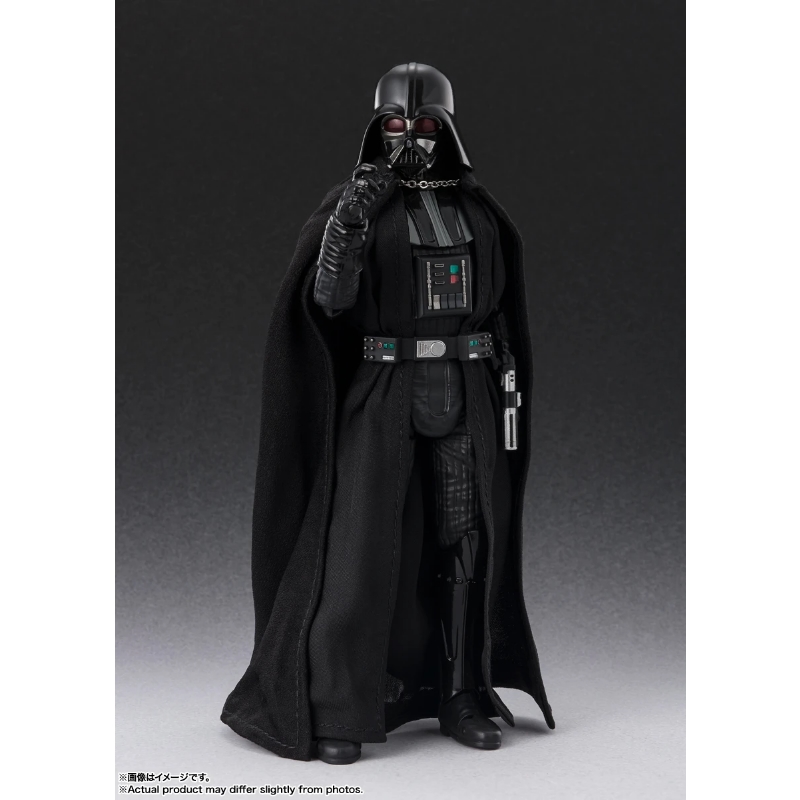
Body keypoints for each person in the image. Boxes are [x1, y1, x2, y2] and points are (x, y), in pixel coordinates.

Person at [221, 62, 554, 765]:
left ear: (448, 129)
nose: (410, 139)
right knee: (359, 550)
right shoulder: (356, 207)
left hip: (465, 395)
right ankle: (340, 704)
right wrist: (348, 223)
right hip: (384, 396)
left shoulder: (477, 211)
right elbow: (327, 303)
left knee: (465, 544)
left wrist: (502, 381)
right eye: (396, 124)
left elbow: (500, 309)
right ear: (377, 129)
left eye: (425, 124)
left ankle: (461, 694)